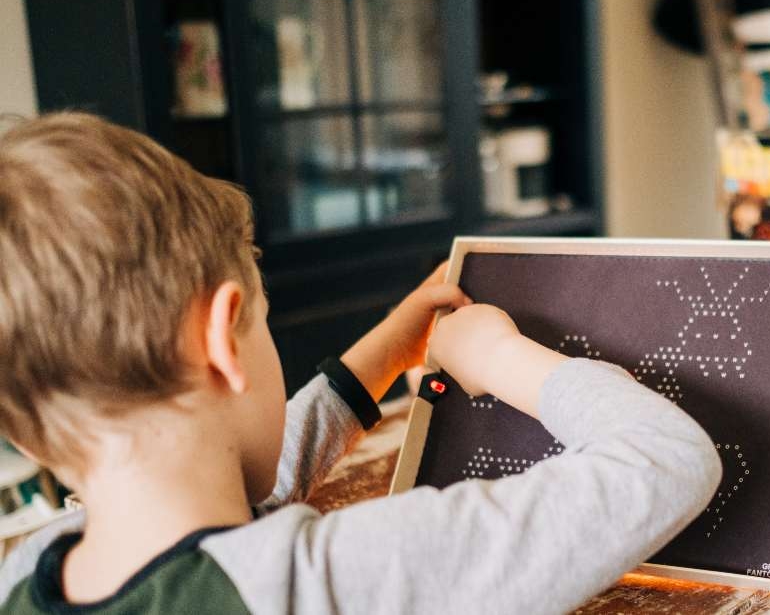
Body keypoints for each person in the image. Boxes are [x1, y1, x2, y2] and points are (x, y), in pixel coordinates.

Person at [0, 113, 721, 614]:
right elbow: (669, 458)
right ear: (220, 336)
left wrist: (385, 351)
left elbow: (223, 512)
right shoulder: (343, 580)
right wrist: (501, 356)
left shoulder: (29, 571)